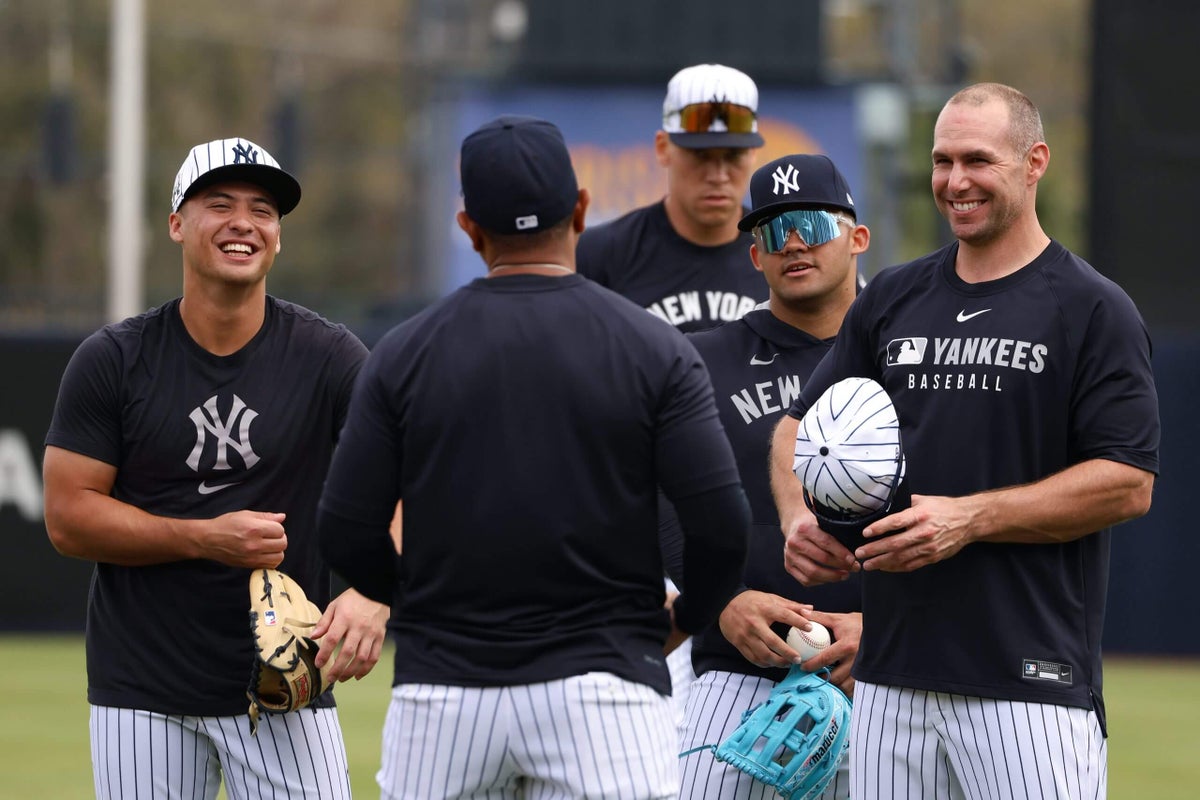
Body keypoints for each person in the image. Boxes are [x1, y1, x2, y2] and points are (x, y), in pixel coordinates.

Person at [315, 115, 751, 800]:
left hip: (447, 693)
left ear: (468, 227)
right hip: (606, 691)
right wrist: (686, 618)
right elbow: (723, 525)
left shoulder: (404, 352)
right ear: (580, 209)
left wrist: (420, 607)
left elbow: (343, 528)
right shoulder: (654, 348)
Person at [770, 83, 1160, 799]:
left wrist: (970, 517)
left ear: (1034, 161)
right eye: (942, 160)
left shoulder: (1092, 308)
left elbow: (1128, 481)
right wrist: (800, 516)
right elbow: (798, 424)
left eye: (977, 160)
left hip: (1028, 683)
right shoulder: (891, 297)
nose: (955, 182)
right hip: (889, 680)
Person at [42, 137, 389, 799]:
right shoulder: (113, 360)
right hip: (142, 689)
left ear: (278, 238)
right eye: (219, 203)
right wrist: (203, 536)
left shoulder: (330, 358)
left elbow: (409, 483)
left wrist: (375, 592)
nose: (243, 222)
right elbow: (68, 517)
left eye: (263, 210)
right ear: (177, 223)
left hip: (287, 682)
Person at [674, 154, 867, 799]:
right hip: (739, 672)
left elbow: (955, 503)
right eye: (770, 231)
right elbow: (645, 497)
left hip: (887, 671)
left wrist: (895, 627)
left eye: (811, 222)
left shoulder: (911, 352)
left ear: (857, 237)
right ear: (754, 258)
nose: (791, 243)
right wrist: (718, 600)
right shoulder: (701, 360)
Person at [576, 62, 767, 333]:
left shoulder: (781, 254)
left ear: (752, 156)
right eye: (700, 155)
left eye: (733, 155)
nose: (718, 174)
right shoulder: (599, 257)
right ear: (663, 148)